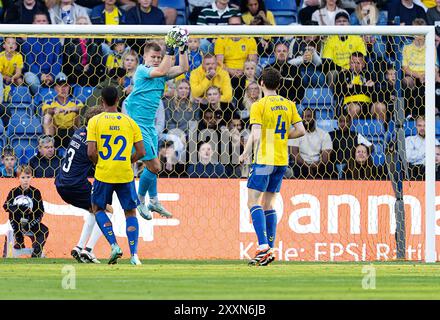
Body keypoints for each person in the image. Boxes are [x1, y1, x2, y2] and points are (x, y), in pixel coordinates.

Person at [239, 67, 305, 266]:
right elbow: (300, 130)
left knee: (252, 202)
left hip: (264, 159)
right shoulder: (288, 104)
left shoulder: (259, 105)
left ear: (261, 84)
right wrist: (283, 137)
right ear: (279, 84)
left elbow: (257, 134)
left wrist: (245, 153)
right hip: (281, 161)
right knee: (268, 204)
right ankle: (269, 248)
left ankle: (262, 247)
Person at [124, 28, 189, 221]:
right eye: (153, 56)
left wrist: (182, 46)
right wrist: (169, 48)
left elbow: (183, 68)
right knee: (155, 165)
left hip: (149, 126)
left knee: (152, 167)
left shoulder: (161, 73)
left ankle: (154, 200)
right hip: (136, 125)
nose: (156, 59)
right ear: (145, 57)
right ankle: (140, 199)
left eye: (159, 57)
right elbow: (161, 69)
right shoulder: (143, 71)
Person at [87, 86, 146, 265]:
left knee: (98, 208)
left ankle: (114, 245)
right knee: (130, 212)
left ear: (102, 101)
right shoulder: (129, 122)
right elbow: (142, 152)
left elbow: (90, 152)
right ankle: (134, 255)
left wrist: (100, 163)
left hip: (104, 173)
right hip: (124, 173)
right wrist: (128, 161)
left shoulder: (95, 121)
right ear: (118, 100)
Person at [55, 105, 113, 264]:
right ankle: (89, 250)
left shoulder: (79, 132)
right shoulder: (92, 141)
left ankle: (79, 248)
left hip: (61, 182)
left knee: (93, 210)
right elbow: (97, 157)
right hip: (75, 185)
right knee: (107, 210)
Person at [3, 165, 49, 257]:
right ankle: (19, 240)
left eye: (28, 177)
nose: (26, 180)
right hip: (17, 223)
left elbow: (40, 211)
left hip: (31, 222)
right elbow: (6, 206)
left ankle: (36, 252)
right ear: (18, 178)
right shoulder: (14, 192)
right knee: (14, 214)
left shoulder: (36, 192)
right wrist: (19, 208)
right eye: (23, 177)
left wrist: (30, 223)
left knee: (44, 230)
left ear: (31, 177)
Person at [335, 51, 386, 121]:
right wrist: (365, 87)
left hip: (368, 105)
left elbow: (375, 92)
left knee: (381, 107)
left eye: (358, 63)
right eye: (353, 63)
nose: (355, 66)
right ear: (349, 63)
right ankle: (353, 131)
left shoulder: (369, 75)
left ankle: (380, 131)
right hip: (350, 104)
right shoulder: (343, 75)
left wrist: (352, 87)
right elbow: (341, 91)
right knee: (355, 108)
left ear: (363, 64)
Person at [22, 12, 63, 95]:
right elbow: (29, 63)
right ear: (33, 23)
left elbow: (58, 60)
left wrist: (52, 75)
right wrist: (41, 75)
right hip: (34, 73)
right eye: (38, 21)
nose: (41, 23)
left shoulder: (55, 40)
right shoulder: (28, 41)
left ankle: (55, 100)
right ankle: (41, 97)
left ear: (48, 23)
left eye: (44, 21)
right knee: (31, 79)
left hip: (52, 72)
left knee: (62, 78)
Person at [42, 73, 84, 149]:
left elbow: (83, 111)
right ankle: (49, 143)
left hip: (72, 132)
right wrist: (54, 110)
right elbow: (46, 111)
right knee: (47, 116)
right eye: (60, 86)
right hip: (56, 131)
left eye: (65, 86)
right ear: (55, 88)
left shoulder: (76, 102)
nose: (63, 89)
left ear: (69, 87)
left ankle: (80, 142)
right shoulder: (50, 102)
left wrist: (72, 109)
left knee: (80, 114)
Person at [290, 107, 334, 179]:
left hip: (319, 164)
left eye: (309, 116)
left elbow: (326, 155)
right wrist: (307, 166)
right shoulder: (295, 132)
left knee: (329, 167)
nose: (306, 119)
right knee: (297, 168)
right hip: (301, 164)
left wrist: (318, 164)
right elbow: (294, 153)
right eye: (304, 117)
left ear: (315, 118)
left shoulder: (324, 134)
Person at [0, 37, 24, 102]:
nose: (11, 45)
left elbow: (18, 72)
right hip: (2, 77)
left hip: (12, 77)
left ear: (16, 46)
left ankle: (19, 99)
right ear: (4, 46)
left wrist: (13, 77)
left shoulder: (18, 56)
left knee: (20, 80)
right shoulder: (1, 56)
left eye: (13, 43)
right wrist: (4, 77)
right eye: (8, 43)